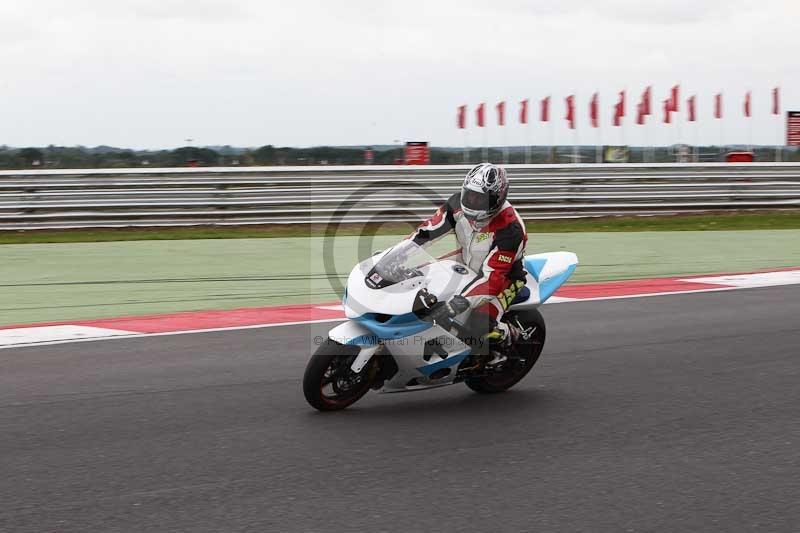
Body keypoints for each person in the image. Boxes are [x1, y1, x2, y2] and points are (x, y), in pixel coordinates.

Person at [409, 163, 528, 365]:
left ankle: (509, 334)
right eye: (470, 195)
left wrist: (458, 303)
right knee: (417, 279)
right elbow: (426, 233)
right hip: (466, 260)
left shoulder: (510, 229)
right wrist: (397, 255)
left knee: (478, 324)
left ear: (497, 200)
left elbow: (492, 279)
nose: (472, 202)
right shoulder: (456, 203)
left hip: (505, 278)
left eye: (480, 199)